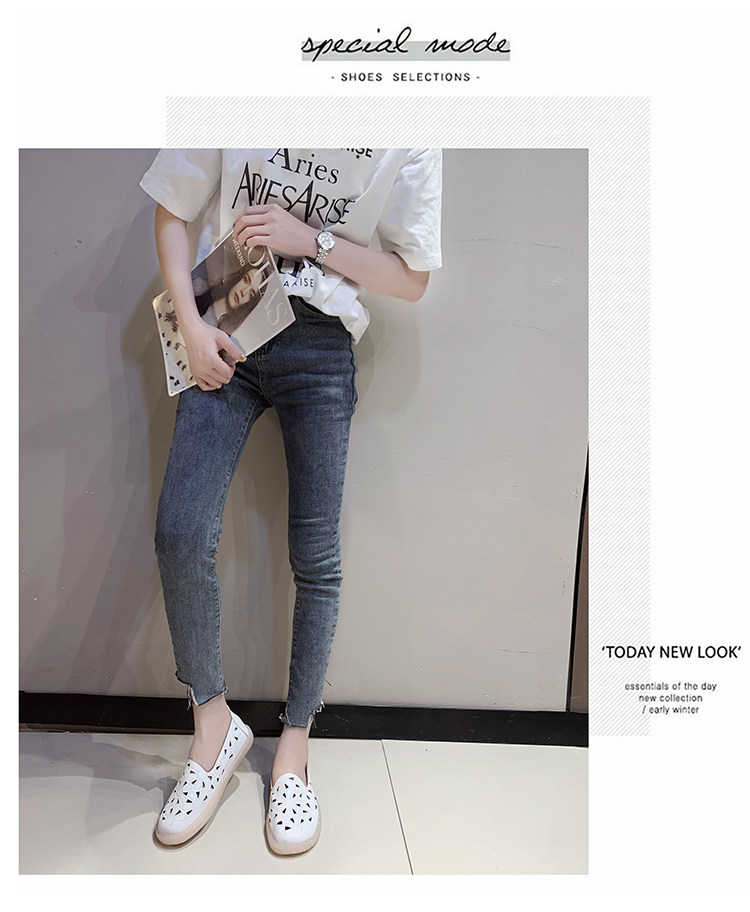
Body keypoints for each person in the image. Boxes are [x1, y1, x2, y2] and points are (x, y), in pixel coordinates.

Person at [140, 148, 442, 853]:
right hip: (229, 316)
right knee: (181, 532)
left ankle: (294, 752)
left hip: (321, 344)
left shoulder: (410, 128)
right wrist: (189, 323)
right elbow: (171, 208)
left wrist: (313, 241)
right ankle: (213, 730)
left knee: (316, 554)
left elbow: (413, 278)